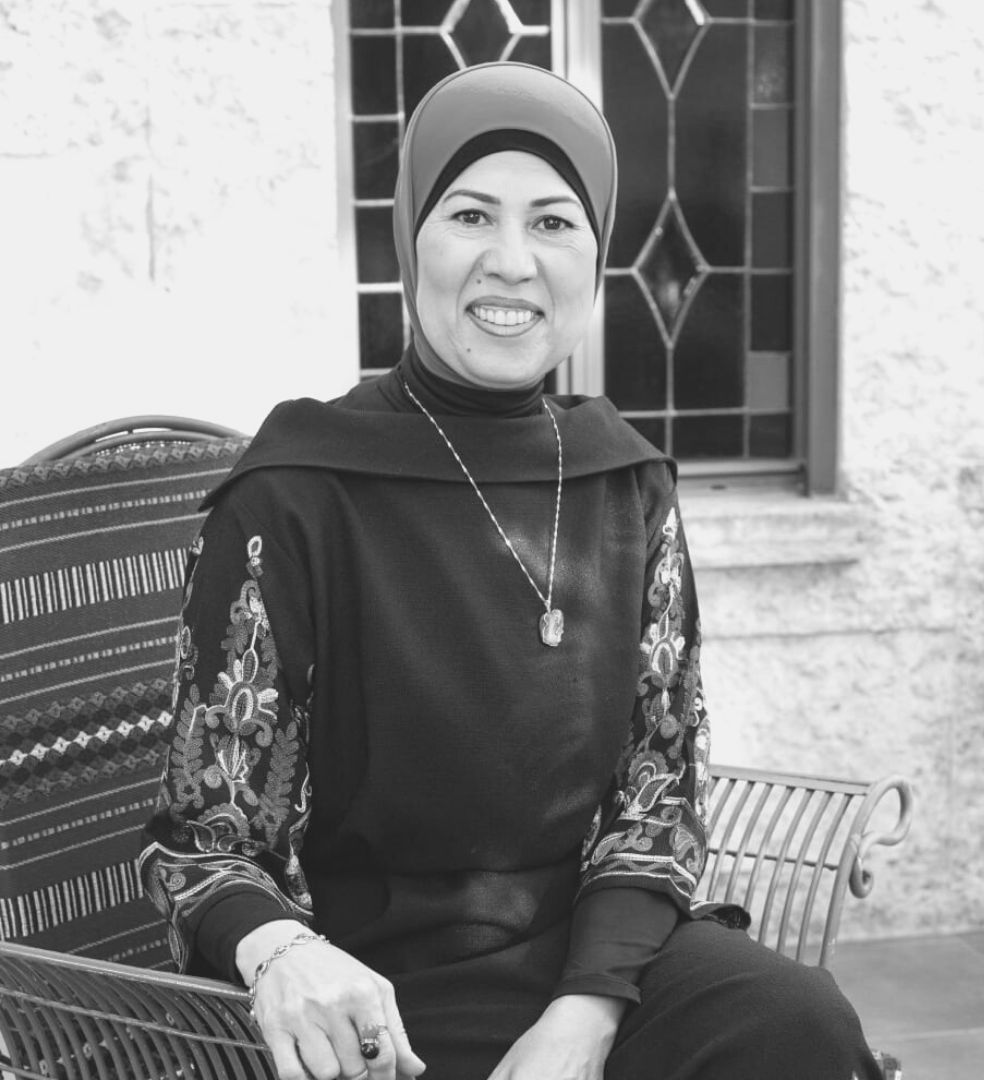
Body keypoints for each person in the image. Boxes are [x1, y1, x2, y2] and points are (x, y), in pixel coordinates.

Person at [140, 62, 881, 1080]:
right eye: (471, 215)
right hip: (372, 990)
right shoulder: (295, 492)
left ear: (595, 256)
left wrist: (585, 1016)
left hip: (594, 960)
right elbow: (204, 841)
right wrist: (280, 955)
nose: (512, 262)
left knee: (795, 1022)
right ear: (410, 239)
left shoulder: (626, 482)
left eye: (554, 223)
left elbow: (656, 800)